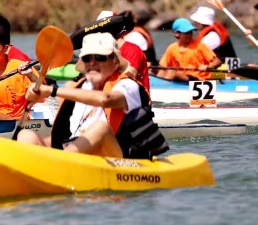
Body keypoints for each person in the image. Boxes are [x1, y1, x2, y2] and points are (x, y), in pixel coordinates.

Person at [18, 33, 167, 159]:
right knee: (26, 136)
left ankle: (59, 164)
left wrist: (52, 90)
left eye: (100, 57)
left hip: (119, 160)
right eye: (88, 58)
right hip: (79, 154)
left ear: (115, 62)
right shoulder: (79, 87)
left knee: (101, 127)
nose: (93, 62)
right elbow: (53, 103)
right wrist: (36, 90)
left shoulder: (128, 86)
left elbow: (105, 99)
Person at [155, 18, 221, 82]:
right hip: (183, 77)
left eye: (190, 32)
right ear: (177, 34)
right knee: (162, 70)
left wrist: (208, 67)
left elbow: (217, 61)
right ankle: (155, 88)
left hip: (199, 78)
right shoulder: (172, 48)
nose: (189, 35)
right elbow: (162, 66)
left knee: (172, 72)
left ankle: (164, 89)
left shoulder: (200, 46)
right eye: (186, 33)